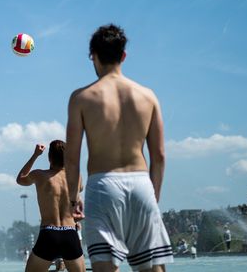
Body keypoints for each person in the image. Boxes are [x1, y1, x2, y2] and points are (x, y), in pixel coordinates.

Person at [64, 24, 173, 272]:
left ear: (93, 55)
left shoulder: (82, 98)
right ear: (123, 56)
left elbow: (71, 158)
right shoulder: (148, 96)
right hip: (141, 184)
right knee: (151, 268)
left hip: (103, 186)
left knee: (104, 267)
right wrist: (152, 198)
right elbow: (160, 156)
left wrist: (73, 198)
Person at [17, 141, 84, 272]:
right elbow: (80, 190)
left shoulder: (39, 175)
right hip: (70, 233)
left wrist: (35, 155)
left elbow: (20, 179)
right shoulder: (76, 177)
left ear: (49, 158)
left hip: (49, 233)